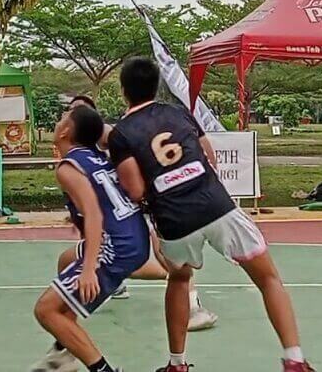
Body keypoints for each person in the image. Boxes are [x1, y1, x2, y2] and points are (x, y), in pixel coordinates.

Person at [109, 58, 313, 372]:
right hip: (215, 205)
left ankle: (177, 364)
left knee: (179, 278)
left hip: (174, 218)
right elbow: (211, 158)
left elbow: (135, 191)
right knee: (268, 278)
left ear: (124, 92)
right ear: (157, 86)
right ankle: (295, 360)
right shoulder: (178, 113)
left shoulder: (122, 134)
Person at [64, 94, 218, 332]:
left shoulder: (108, 136)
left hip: (139, 203)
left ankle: (192, 305)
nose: (72, 115)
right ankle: (78, 311)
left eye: (79, 111)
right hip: (117, 213)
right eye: (70, 111)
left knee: (166, 255)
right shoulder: (77, 153)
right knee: (71, 257)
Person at [30, 106, 149, 372]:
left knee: (46, 310)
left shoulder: (68, 167)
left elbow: (94, 213)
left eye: (62, 118)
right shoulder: (94, 155)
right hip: (133, 236)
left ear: (65, 131)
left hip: (116, 244)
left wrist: (88, 269)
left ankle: (102, 370)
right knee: (66, 260)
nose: (58, 121)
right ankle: (63, 351)